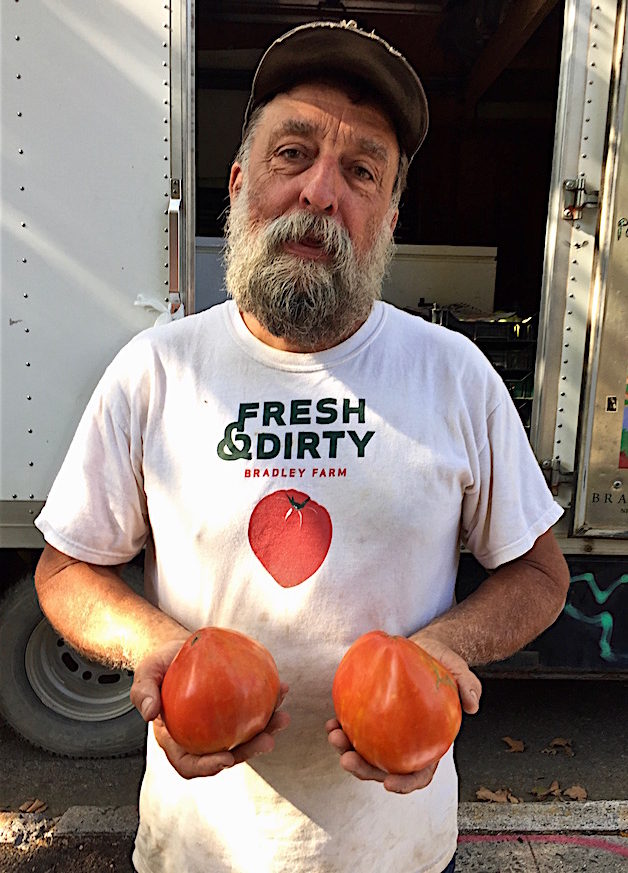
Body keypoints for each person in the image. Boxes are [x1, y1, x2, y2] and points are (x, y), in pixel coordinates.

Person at [33, 19, 570, 873]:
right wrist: (157, 650)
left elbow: (541, 573)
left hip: (399, 850)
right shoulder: (156, 371)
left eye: (361, 170)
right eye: (293, 153)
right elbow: (65, 569)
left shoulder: (454, 375)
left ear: (389, 216)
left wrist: (446, 649)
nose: (322, 191)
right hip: (197, 850)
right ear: (242, 182)